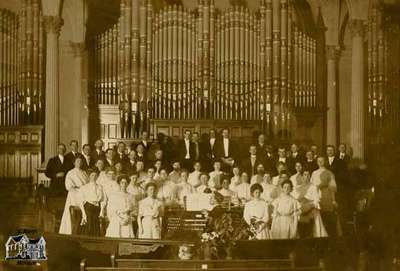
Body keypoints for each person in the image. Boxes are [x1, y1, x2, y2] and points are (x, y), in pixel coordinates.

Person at [59, 156, 88, 235]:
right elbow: (69, 186)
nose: (79, 163)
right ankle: (71, 231)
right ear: (74, 163)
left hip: (84, 194)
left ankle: (82, 231)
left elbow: (88, 185)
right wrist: (78, 189)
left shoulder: (84, 172)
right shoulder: (70, 172)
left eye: (80, 161)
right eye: (77, 161)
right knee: (73, 212)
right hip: (74, 194)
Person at [310, 156, 338, 237]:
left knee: (328, 218)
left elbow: (333, 188)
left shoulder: (329, 173)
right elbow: (311, 186)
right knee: (318, 219)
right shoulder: (314, 173)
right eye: (318, 161)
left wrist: (333, 200)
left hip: (326, 196)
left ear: (325, 161)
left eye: (322, 160)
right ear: (317, 162)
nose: (320, 162)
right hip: (316, 197)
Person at [79, 170, 105, 236]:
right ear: (89, 176)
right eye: (92, 175)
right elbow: (81, 202)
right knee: (89, 225)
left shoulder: (100, 187)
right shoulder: (84, 187)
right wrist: (83, 214)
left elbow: (102, 200)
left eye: (95, 175)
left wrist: (102, 211)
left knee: (96, 226)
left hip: (97, 208)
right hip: (88, 207)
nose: (94, 177)